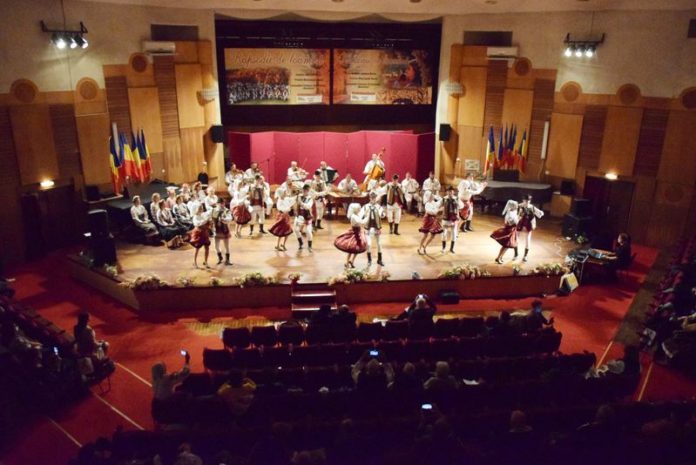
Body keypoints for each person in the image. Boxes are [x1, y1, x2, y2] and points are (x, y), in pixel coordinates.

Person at [334, 203, 367, 269]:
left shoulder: (356, 215)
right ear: (355, 210)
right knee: (351, 249)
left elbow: (361, 215)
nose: (359, 210)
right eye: (358, 209)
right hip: (355, 233)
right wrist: (367, 218)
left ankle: (352, 261)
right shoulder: (353, 216)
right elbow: (361, 222)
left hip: (358, 232)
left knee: (357, 249)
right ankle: (347, 262)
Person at [360, 192, 386, 266]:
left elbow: (383, 215)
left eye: (374, 198)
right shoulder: (365, 207)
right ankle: (369, 260)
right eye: (372, 198)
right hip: (368, 228)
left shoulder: (378, 207)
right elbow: (360, 215)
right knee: (369, 244)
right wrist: (362, 219)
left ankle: (379, 259)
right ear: (369, 198)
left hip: (377, 227)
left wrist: (383, 214)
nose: (373, 199)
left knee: (379, 243)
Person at [517, 194, 544, 262]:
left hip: (528, 225)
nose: (527, 202)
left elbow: (539, 214)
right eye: (526, 200)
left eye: (528, 200)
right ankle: (516, 254)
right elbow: (514, 214)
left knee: (528, 241)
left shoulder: (532, 207)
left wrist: (540, 213)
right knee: (516, 239)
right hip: (519, 224)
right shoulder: (519, 206)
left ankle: (525, 256)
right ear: (523, 200)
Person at [491, 200, 519, 264]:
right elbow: (512, 223)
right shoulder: (510, 214)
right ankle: (498, 257)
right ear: (512, 206)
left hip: (512, 230)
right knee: (506, 246)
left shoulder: (513, 211)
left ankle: (500, 257)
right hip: (509, 231)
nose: (517, 207)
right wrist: (519, 218)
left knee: (507, 246)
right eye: (516, 206)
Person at [418, 189, 443, 255]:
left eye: (432, 195)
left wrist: (436, 196)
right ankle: (419, 248)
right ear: (428, 196)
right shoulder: (427, 204)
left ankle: (425, 246)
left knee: (433, 235)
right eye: (431, 195)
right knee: (425, 235)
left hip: (433, 220)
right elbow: (432, 212)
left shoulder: (434, 202)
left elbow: (441, 200)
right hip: (428, 219)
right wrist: (438, 210)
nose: (432, 196)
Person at [212, 197, 233, 266]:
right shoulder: (213, 210)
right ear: (217, 204)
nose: (221, 205)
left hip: (224, 229)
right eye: (220, 203)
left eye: (223, 203)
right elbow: (210, 218)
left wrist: (224, 219)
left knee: (226, 245)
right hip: (216, 229)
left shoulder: (226, 210)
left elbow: (229, 218)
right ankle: (220, 257)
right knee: (216, 246)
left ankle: (227, 260)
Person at [441, 186, 461, 254]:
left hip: (454, 219)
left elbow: (460, 206)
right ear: (447, 192)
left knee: (454, 234)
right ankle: (443, 248)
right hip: (445, 218)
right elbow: (438, 206)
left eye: (451, 191)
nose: (450, 193)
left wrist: (457, 203)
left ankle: (452, 248)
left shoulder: (456, 198)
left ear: (453, 192)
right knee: (444, 234)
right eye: (449, 191)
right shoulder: (444, 199)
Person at [191, 204, 212, 268]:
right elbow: (197, 224)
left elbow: (209, 216)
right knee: (197, 248)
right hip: (198, 233)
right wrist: (205, 221)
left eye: (201, 208)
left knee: (207, 247)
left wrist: (209, 221)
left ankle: (206, 261)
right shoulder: (195, 217)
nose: (201, 209)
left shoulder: (204, 214)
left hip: (204, 232)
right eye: (199, 208)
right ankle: (194, 262)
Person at [294, 184, 315, 251]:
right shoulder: (299, 196)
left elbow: (308, 207)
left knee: (308, 231)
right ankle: (300, 243)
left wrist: (301, 203)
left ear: (308, 191)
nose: (304, 192)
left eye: (306, 191)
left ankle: (309, 246)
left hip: (307, 216)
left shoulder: (310, 198)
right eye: (303, 190)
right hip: (300, 215)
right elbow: (295, 203)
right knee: (296, 230)